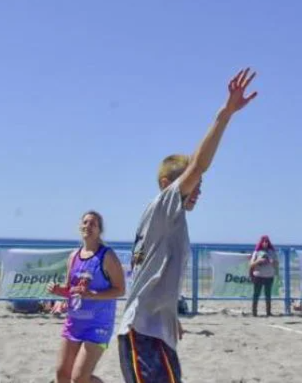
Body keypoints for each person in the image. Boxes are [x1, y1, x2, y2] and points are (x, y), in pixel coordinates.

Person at [117, 68, 258, 383]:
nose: (199, 189)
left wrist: (170, 316)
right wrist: (225, 114)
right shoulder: (164, 206)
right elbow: (198, 163)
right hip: (142, 331)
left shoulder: (169, 219)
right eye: (195, 184)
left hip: (158, 330)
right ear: (168, 183)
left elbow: (150, 275)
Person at [45, 210, 126, 383]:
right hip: (74, 322)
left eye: (93, 224)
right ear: (80, 227)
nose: (88, 226)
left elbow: (120, 290)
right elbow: (71, 290)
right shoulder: (73, 256)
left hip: (98, 325)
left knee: (79, 378)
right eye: (85, 222)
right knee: (62, 375)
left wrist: (92, 294)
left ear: (99, 230)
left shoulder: (107, 256)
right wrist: (58, 292)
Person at [249, 235, 279, 317]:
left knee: (268, 294)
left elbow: (277, 263)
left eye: (267, 242)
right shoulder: (257, 252)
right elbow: (251, 264)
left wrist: (273, 262)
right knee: (256, 294)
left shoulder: (272, 252)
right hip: (258, 275)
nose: (265, 243)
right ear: (261, 242)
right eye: (264, 241)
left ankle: (268, 312)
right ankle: (254, 312)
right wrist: (258, 261)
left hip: (269, 276)